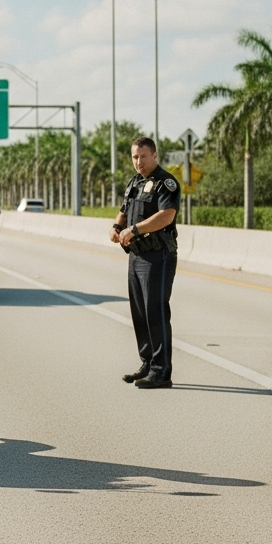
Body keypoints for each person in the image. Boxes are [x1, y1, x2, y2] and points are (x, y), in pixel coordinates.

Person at [110, 136, 180, 389]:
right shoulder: (135, 182)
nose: (138, 161)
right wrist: (117, 226)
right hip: (136, 255)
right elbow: (125, 208)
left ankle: (162, 371)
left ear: (155, 156)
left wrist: (135, 230)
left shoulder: (166, 183)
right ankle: (147, 364)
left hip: (158, 255)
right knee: (139, 312)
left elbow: (166, 215)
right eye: (134, 157)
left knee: (155, 310)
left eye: (142, 156)